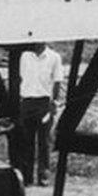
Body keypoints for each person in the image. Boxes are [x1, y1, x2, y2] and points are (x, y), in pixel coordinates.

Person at [17, 42, 63, 186]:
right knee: (26, 141)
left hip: (44, 103)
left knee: (44, 141)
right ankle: (27, 177)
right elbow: (20, 77)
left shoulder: (54, 57)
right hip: (27, 102)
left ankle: (43, 176)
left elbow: (57, 82)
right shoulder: (24, 56)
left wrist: (53, 102)